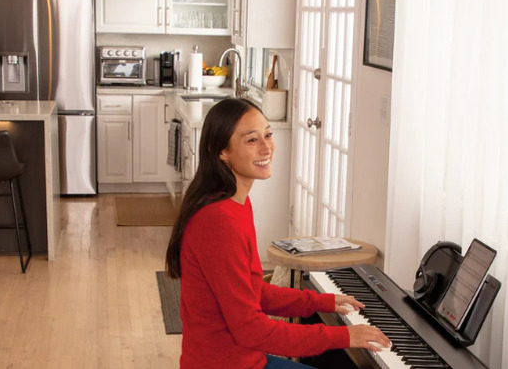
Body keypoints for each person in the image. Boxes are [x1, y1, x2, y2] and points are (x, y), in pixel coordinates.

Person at [165, 98, 389, 369]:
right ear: (221, 151)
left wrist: (324, 301)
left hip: (243, 360)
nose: (267, 147)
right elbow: (251, 329)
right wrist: (344, 335)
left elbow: (253, 292)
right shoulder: (219, 220)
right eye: (251, 140)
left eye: (268, 135)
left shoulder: (235, 203)